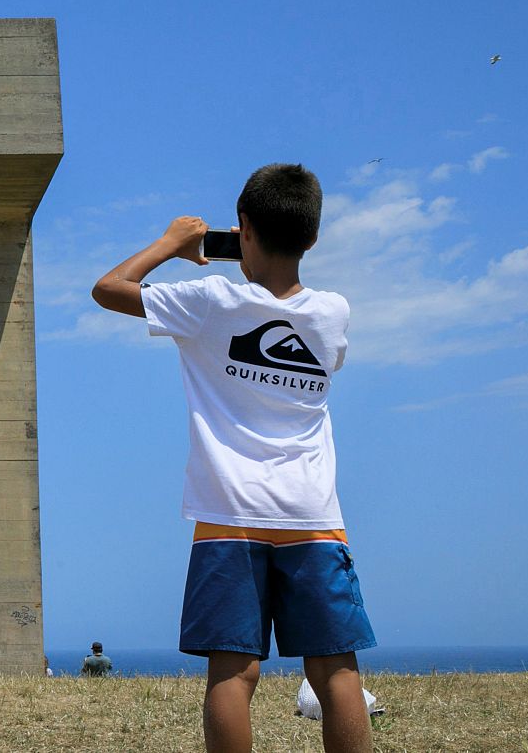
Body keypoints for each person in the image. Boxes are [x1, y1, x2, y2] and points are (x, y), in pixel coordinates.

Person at [90, 163, 377, 753]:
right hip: (314, 517)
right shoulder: (332, 313)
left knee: (234, 670)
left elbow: (108, 287)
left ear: (242, 228)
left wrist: (173, 245)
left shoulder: (210, 301)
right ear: (313, 238)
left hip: (229, 515)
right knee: (335, 671)